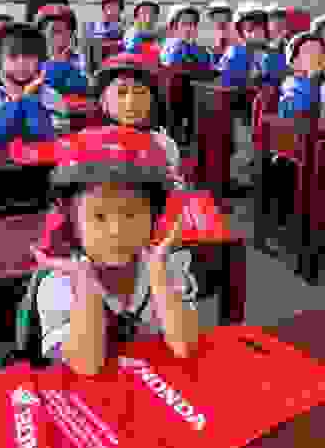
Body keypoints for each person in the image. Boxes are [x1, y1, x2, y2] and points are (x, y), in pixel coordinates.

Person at [28, 128, 200, 374]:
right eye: (99, 217)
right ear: (71, 222)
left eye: (131, 214)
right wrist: (85, 281)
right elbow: (87, 365)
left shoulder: (168, 268)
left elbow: (185, 346)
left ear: (155, 217)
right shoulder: (59, 283)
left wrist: (158, 273)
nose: (117, 231)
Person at [92, 54, 184, 186]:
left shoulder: (164, 145)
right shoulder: (92, 143)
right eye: (121, 93)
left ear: (152, 101)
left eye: (140, 93)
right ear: (103, 100)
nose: (131, 102)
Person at [0, 23, 65, 153]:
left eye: (29, 56)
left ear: (40, 61)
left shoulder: (52, 97)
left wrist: (28, 98)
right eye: (13, 56)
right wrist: (20, 100)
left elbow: (48, 140)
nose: (21, 63)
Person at [217, 4, 285, 88]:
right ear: (240, 29)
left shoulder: (275, 55)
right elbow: (223, 83)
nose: (257, 30)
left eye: (261, 24)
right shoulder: (233, 53)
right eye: (250, 26)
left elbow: (280, 83)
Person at [278, 31, 325, 117]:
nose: (318, 57)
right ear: (294, 61)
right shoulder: (291, 96)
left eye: (320, 52)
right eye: (310, 53)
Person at [39, 8, 89, 95]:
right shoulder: (35, 61)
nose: (49, 35)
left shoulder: (82, 61)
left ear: (71, 35)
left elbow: (82, 86)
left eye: (56, 31)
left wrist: (60, 63)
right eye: (45, 30)